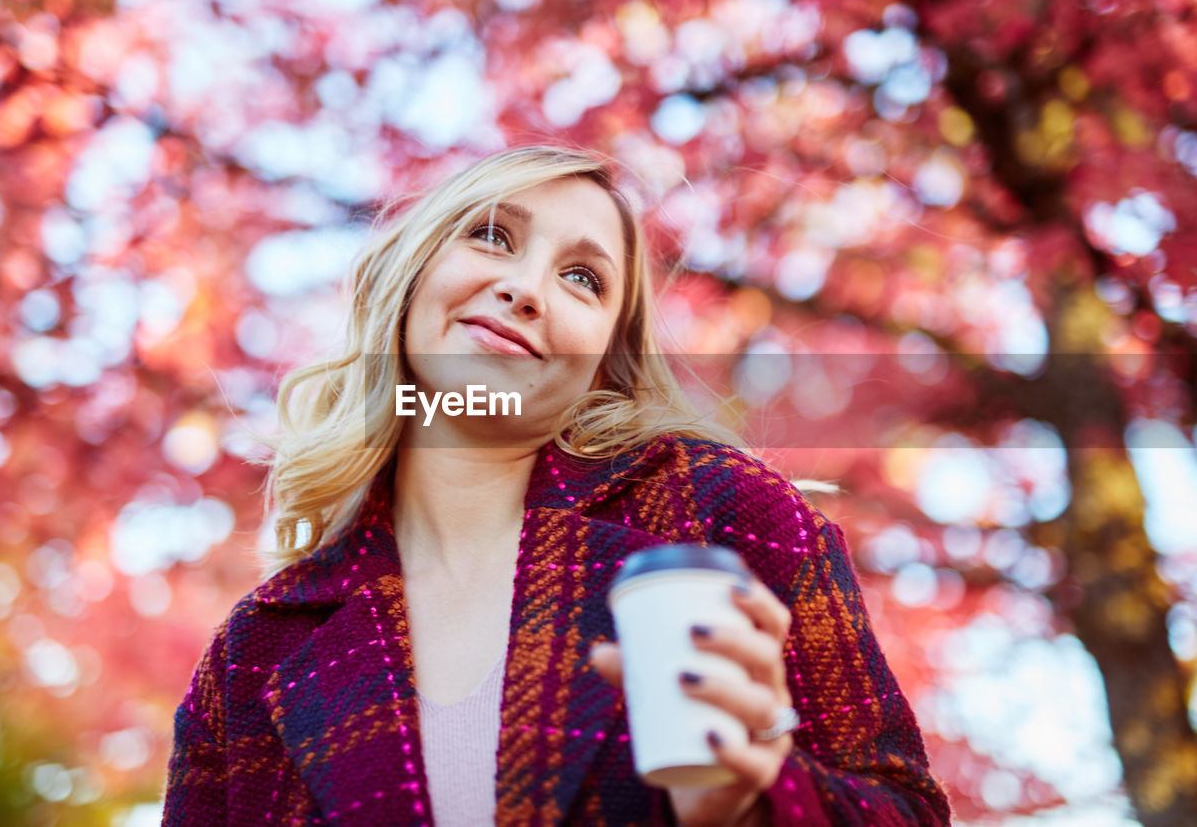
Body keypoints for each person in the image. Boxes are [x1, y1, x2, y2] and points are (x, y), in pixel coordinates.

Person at [163, 146, 951, 826]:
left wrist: (752, 799)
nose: (527, 288)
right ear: (409, 278)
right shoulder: (257, 650)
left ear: (603, 364)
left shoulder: (719, 515)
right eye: (493, 236)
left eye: (582, 278)